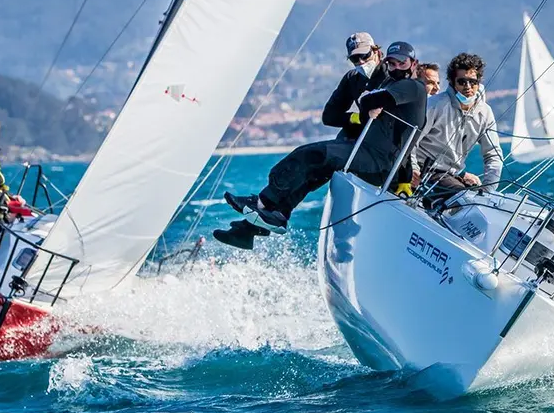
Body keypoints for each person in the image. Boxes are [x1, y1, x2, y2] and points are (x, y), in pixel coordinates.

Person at [214, 41, 427, 250]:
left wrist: (405, 178)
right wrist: (361, 113)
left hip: (375, 160)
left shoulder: (413, 86)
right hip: (360, 150)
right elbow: (336, 114)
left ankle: (262, 203)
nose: (396, 67)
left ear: (413, 63)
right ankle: (260, 223)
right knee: (310, 171)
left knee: (308, 155)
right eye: (393, 63)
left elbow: (374, 106)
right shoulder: (361, 80)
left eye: (402, 63)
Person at [412, 53, 502, 195]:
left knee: (479, 200)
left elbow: (493, 155)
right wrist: (413, 169)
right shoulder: (434, 105)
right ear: (452, 83)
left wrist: (487, 191)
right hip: (425, 170)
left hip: (452, 174)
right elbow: (411, 141)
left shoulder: (485, 113)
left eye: (472, 81)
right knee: (463, 198)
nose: (468, 87)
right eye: (461, 81)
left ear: (479, 82)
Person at [322, 32, 388, 141]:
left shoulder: (390, 74)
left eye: (365, 55)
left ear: (376, 51)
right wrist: (358, 118)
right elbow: (329, 117)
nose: (361, 62)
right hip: (366, 133)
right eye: (355, 59)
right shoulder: (352, 78)